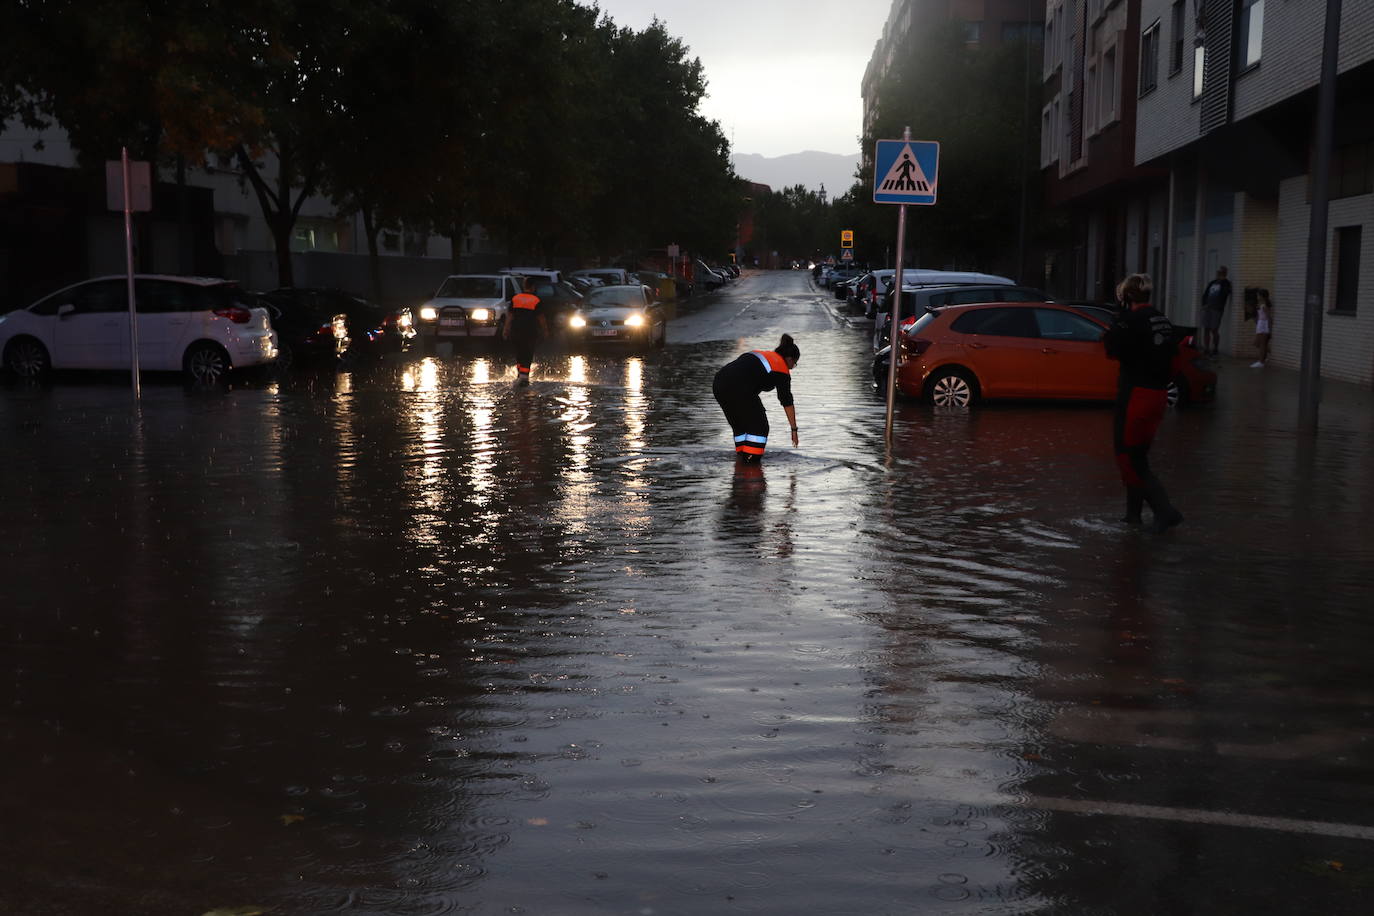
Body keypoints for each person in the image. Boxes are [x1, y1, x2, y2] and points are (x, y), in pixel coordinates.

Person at [1103, 273, 1183, 532]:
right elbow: (1173, 358)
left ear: (1126, 296)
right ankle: (1133, 516)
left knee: (1128, 458)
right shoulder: (1161, 319)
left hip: (1136, 395)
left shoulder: (1130, 320)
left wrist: (1117, 321)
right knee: (1139, 456)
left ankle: (1164, 510)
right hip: (1157, 396)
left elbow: (1111, 349)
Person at [712, 334, 801, 463]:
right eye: (795, 363)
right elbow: (786, 401)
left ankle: (741, 464)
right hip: (739, 388)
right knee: (760, 428)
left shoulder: (761, 354)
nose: (793, 367)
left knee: (740, 427)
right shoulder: (780, 367)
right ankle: (751, 466)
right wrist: (794, 430)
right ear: (789, 359)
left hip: (719, 383)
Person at [501, 278, 547, 385]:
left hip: (516, 330)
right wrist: (545, 331)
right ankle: (524, 378)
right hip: (530, 331)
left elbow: (510, 316)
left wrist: (506, 330)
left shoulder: (515, 299)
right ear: (533, 287)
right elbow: (541, 318)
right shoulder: (536, 300)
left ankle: (520, 375)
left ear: (524, 286)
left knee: (519, 353)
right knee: (528, 353)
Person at [1198, 266, 1232, 356]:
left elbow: (1226, 293)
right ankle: (1206, 348)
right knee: (1206, 329)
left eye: (1220, 272)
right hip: (1207, 308)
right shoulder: (1212, 283)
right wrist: (1204, 305)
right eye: (1218, 272)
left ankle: (1215, 348)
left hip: (1217, 309)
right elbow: (1205, 294)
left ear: (1224, 273)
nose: (1218, 274)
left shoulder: (1226, 283)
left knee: (1214, 329)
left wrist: (1223, 280)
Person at [1249, 288, 1272, 368]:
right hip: (1260, 324)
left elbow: (1269, 317)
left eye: (1258, 295)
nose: (1257, 297)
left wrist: (1269, 329)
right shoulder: (1260, 305)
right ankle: (1264, 357)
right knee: (1258, 343)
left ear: (1262, 296)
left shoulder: (1265, 306)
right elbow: (1259, 316)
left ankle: (1261, 361)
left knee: (1261, 344)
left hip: (1264, 325)